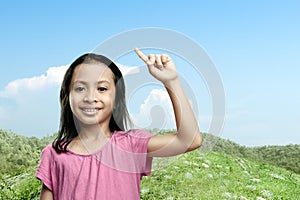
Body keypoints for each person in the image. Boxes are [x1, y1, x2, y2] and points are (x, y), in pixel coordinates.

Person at [35, 48, 202, 200]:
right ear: (67, 96)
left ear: (116, 99)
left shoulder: (131, 144)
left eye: (102, 89)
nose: (90, 97)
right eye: (80, 88)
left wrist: (171, 81)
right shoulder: (54, 153)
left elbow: (189, 140)